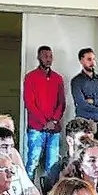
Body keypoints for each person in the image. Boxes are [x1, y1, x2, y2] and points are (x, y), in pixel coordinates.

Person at [22, 46, 67, 175]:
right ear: (38, 57)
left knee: (52, 166)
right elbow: (30, 103)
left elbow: (62, 103)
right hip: (36, 128)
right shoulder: (30, 77)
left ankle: (50, 194)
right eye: (45, 56)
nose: (48, 59)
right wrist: (44, 122)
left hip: (54, 129)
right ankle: (27, 194)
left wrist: (53, 121)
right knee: (32, 163)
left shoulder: (58, 78)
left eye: (50, 56)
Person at [40, 118, 98, 195]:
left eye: (91, 140)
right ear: (70, 141)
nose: (88, 144)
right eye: (83, 139)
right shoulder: (57, 169)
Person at [69, 48, 98, 147]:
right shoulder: (76, 81)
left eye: (93, 59)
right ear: (81, 61)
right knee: (82, 157)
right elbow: (81, 103)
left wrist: (93, 101)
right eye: (89, 59)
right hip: (83, 125)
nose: (92, 62)